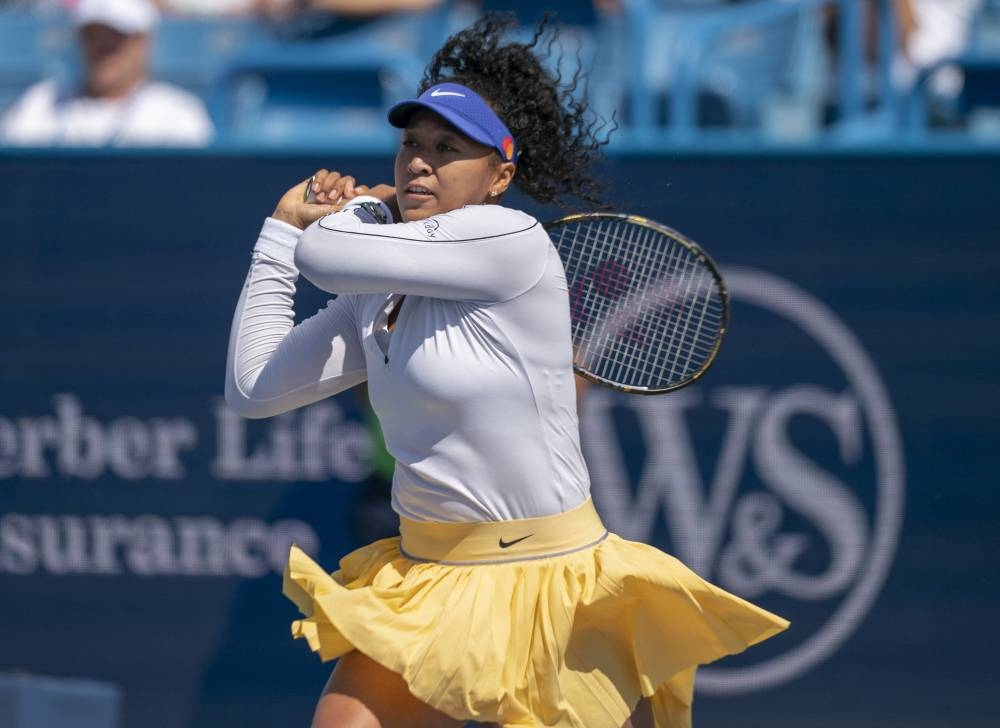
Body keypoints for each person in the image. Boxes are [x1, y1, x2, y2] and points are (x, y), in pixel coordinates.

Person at [225, 13, 788, 728]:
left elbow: (329, 255)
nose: (420, 163)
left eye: (447, 149)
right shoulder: (377, 289)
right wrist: (279, 231)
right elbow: (253, 388)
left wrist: (366, 205)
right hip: (426, 579)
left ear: (500, 175)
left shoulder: (510, 239)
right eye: (411, 145)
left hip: (549, 582)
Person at [0, 0, 214, 147]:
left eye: (115, 38)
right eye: (93, 35)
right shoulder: (39, 105)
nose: (103, 48)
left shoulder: (177, 115)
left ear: (142, 42)